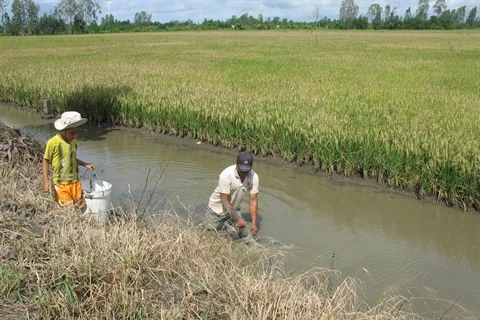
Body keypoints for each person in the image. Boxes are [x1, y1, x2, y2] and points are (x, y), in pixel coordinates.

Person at [42, 111, 94, 208]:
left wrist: (85, 164)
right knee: (68, 209)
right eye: (72, 133)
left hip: (75, 181)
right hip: (61, 183)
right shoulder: (53, 143)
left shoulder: (73, 142)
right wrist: (45, 180)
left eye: (78, 132)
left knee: (80, 207)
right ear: (63, 130)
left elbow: (72, 158)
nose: (75, 135)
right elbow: (45, 160)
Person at [205, 151, 259, 239]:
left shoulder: (254, 177)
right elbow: (224, 199)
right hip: (215, 210)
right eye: (241, 170)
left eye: (246, 171)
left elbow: (253, 200)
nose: (244, 173)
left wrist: (254, 222)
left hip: (234, 208)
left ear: (251, 167)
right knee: (210, 236)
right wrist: (238, 219)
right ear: (236, 164)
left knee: (244, 236)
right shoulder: (226, 175)